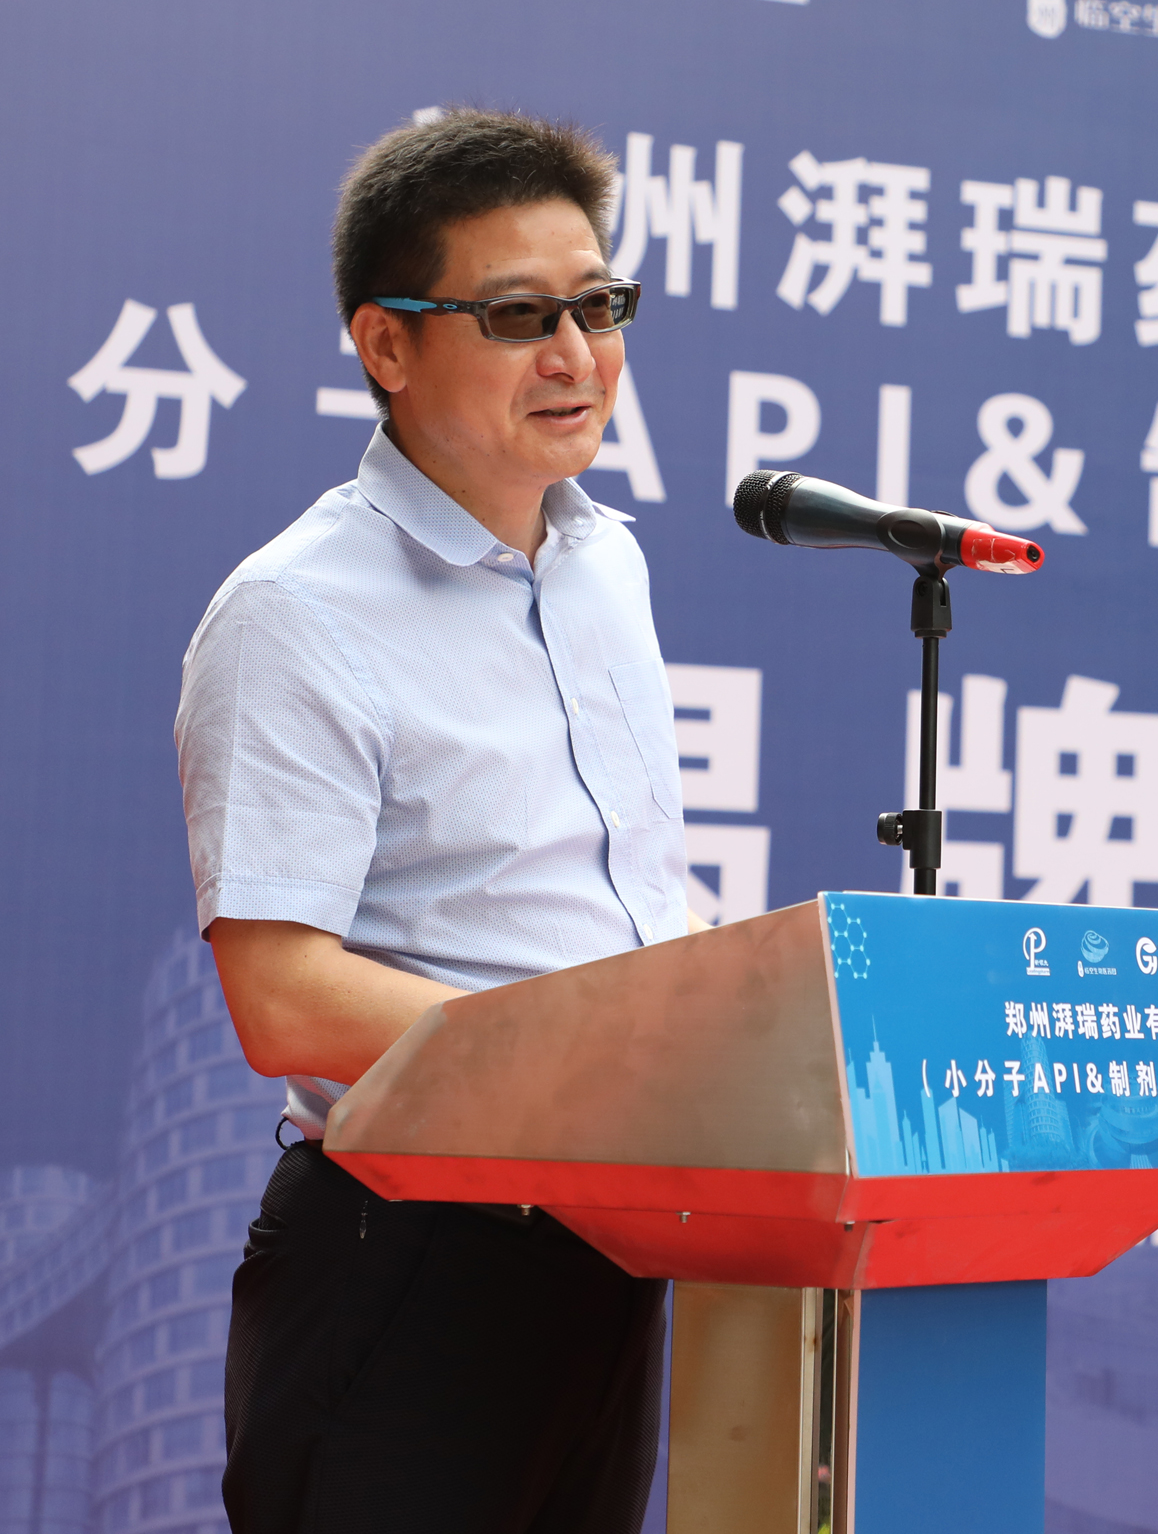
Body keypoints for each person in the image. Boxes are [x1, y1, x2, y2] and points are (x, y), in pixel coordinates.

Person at [173, 108, 690, 1533]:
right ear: (386, 346)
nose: (576, 355)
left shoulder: (605, 568)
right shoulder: (297, 611)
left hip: (608, 1244)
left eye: (599, 306)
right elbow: (282, 995)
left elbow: (620, 904)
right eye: (519, 316)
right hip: (408, 1258)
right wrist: (602, 1056)